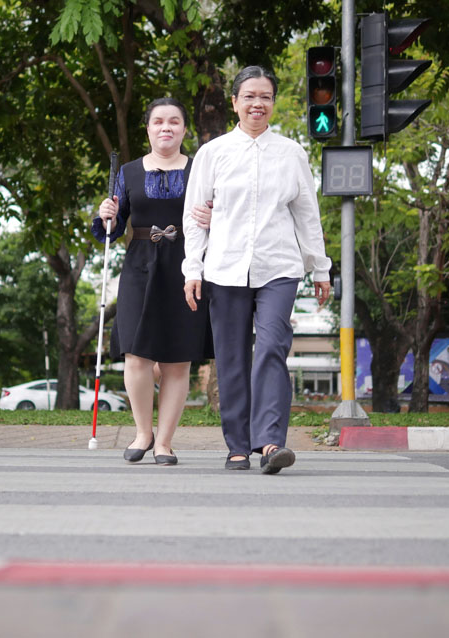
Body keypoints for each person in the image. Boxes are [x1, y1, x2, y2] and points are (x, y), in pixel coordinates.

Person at [182, 66, 332, 474]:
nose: (257, 104)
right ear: (234, 102)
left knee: (270, 348)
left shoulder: (291, 154)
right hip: (225, 267)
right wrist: (192, 269)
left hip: (278, 266)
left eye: (265, 96)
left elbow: (307, 215)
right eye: (249, 96)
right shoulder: (213, 154)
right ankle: (236, 445)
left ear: (273, 103)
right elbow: (194, 218)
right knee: (231, 358)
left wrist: (320, 269)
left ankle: (269, 443)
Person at [93, 97, 214, 466]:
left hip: (187, 268)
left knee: (178, 359)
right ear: (147, 128)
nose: (166, 127)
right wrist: (105, 215)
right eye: (158, 121)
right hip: (139, 266)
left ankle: (165, 442)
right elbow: (110, 231)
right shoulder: (127, 172)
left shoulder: (200, 170)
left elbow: (222, 218)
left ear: (183, 129)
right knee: (136, 353)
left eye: (174, 121)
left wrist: (215, 217)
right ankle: (143, 432)